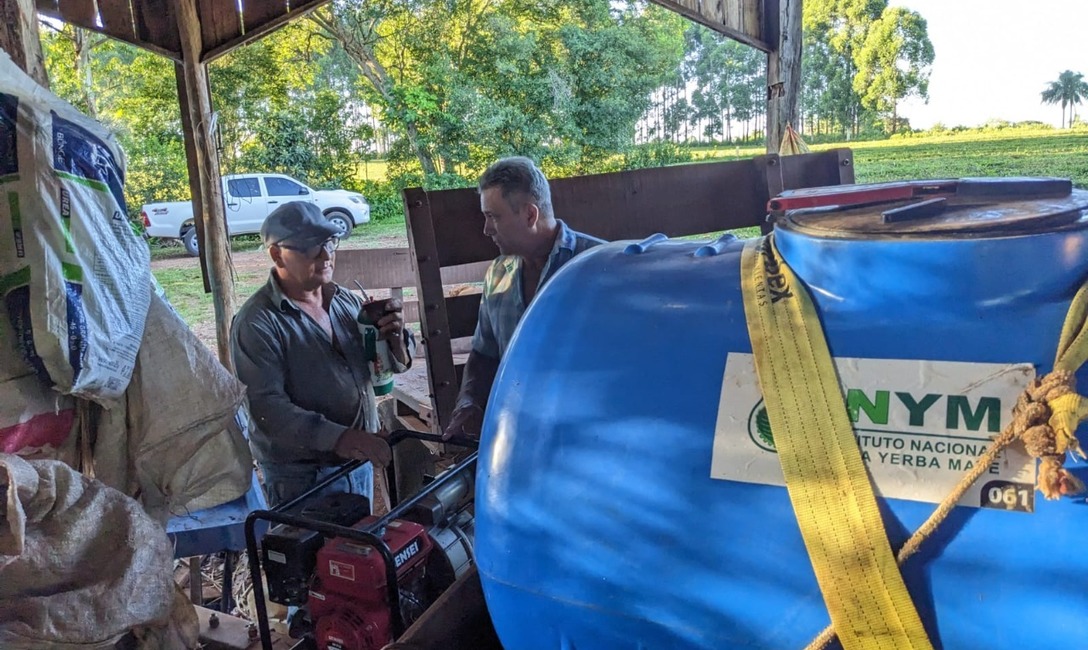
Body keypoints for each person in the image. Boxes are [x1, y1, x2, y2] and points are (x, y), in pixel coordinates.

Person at [231, 201, 414, 507]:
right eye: (310, 246)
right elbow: (267, 410)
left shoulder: (344, 301)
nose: (326, 255)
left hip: (356, 463)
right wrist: (344, 438)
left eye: (329, 242)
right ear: (277, 254)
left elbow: (379, 365)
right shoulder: (257, 322)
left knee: (358, 551)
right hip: (302, 479)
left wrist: (395, 341)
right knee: (316, 553)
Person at [442, 156, 604, 440]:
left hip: (584, 435)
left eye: (493, 216)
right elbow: (484, 352)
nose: (486, 229)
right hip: (516, 433)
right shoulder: (498, 273)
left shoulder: (599, 266)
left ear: (530, 215)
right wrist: (468, 403)